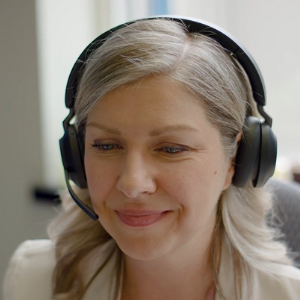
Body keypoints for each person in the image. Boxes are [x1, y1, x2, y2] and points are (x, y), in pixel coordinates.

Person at [3, 16, 300, 300]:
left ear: (237, 161)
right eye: (106, 145)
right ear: (76, 155)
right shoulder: (34, 280)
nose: (132, 184)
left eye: (171, 149)